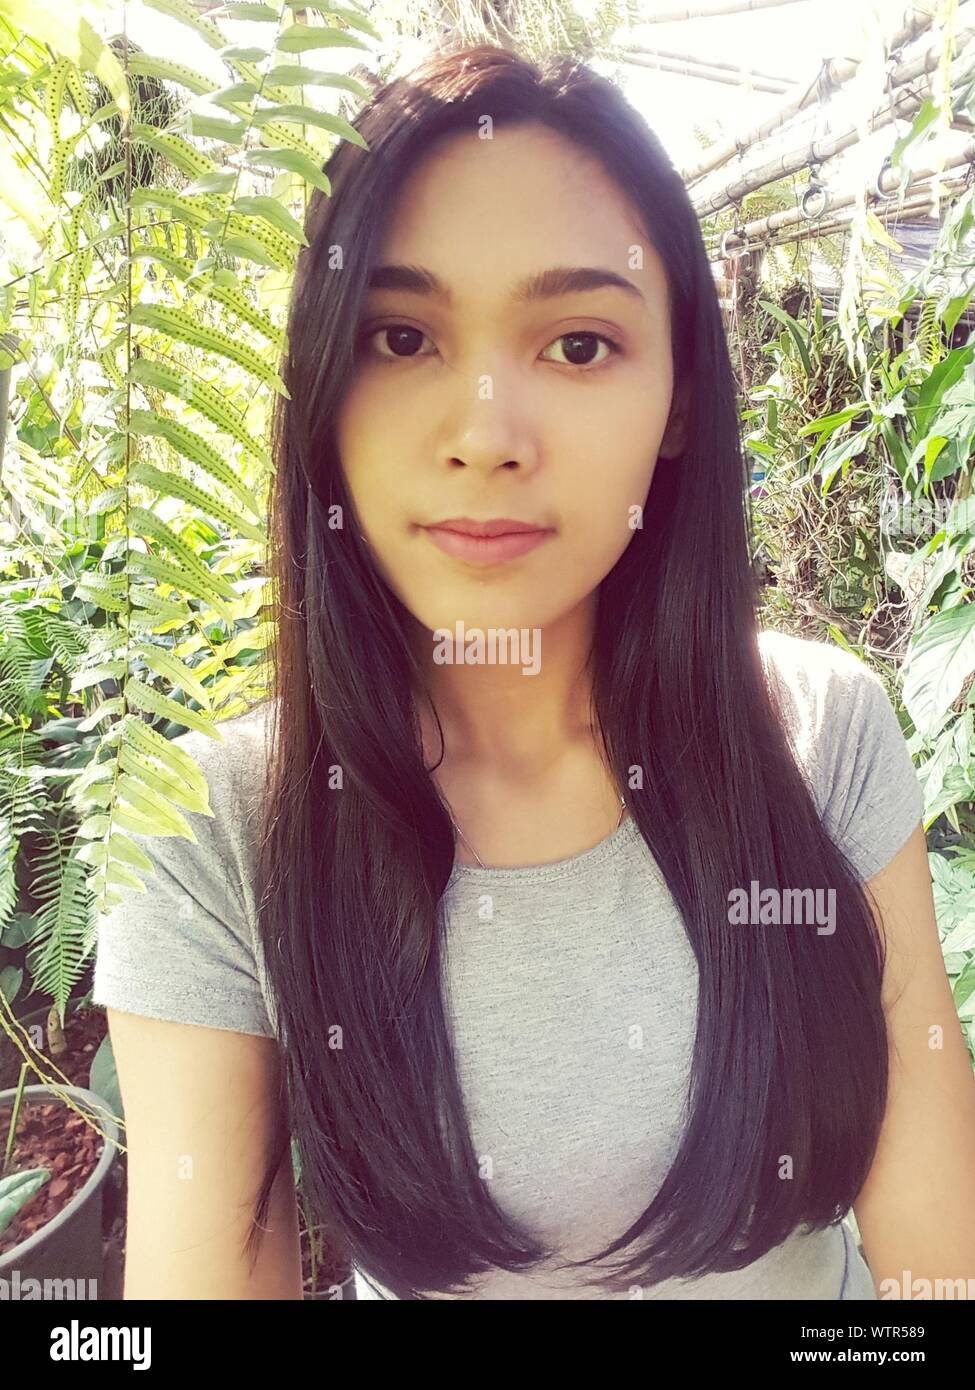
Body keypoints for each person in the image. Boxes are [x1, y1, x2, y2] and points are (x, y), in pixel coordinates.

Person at [93, 42, 975, 1301]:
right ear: (321, 390)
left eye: (577, 345)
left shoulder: (821, 731)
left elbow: (931, 1215)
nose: (487, 437)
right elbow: (214, 1257)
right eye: (403, 337)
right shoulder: (215, 828)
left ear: (678, 401)